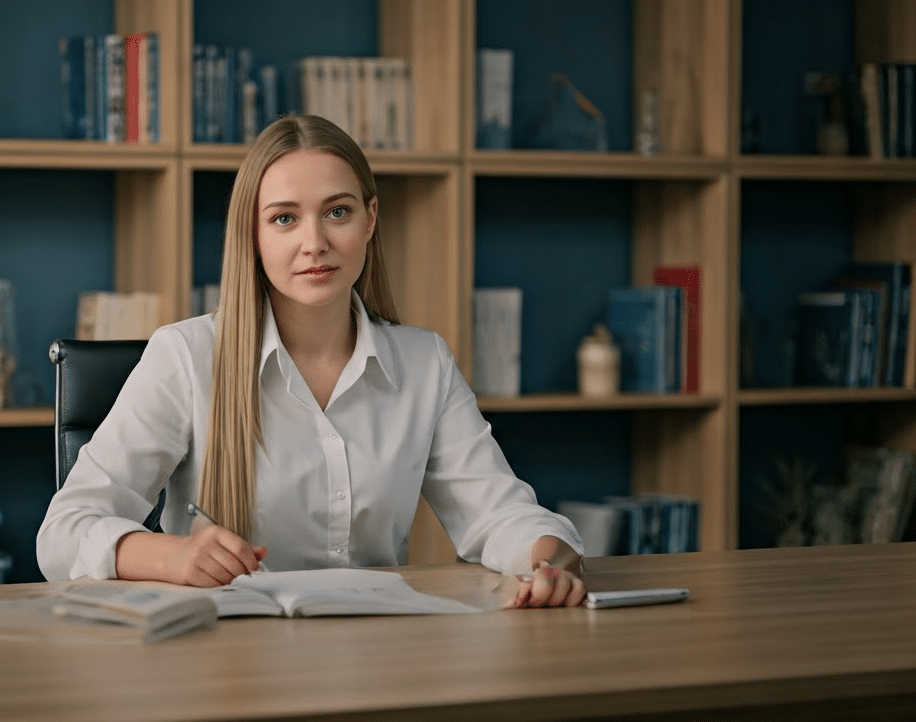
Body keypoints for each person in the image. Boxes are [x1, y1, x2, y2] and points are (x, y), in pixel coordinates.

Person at [37, 114, 586, 608]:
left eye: (337, 212)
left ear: (370, 220)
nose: (315, 242)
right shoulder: (186, 356)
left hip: (380, 659)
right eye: (284, 219)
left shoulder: (424, 363)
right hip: (226, 665)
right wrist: (173, 556)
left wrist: (550, 563)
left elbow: (498, 513)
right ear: (251, 235)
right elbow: (62, 533)